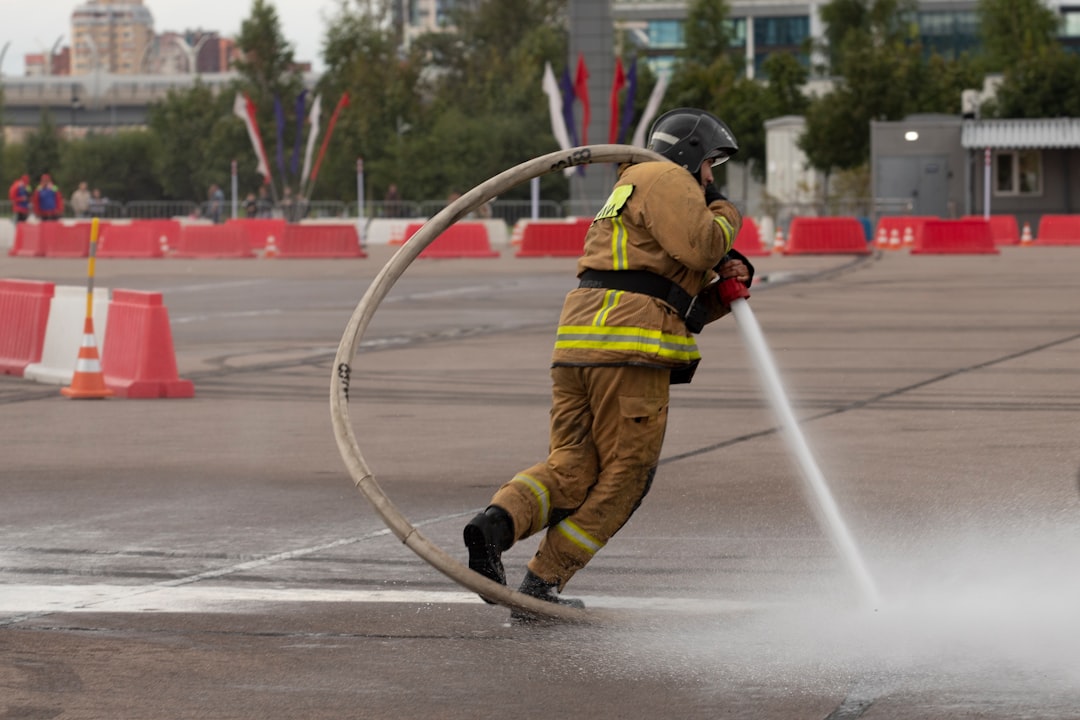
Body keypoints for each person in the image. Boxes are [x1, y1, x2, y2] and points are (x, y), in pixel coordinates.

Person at [462, 108, 753, 616]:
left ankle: (496, 524)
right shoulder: (669, 178)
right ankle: (542, 581)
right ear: (689, 155)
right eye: (710, 165)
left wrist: (726, 292)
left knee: (573, 466)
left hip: (581, 345)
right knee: (626, 477)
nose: (711, 177)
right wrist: (727, 212)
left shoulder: (631, 186)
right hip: (628, 354)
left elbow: (659, 288)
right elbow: (705, 245)